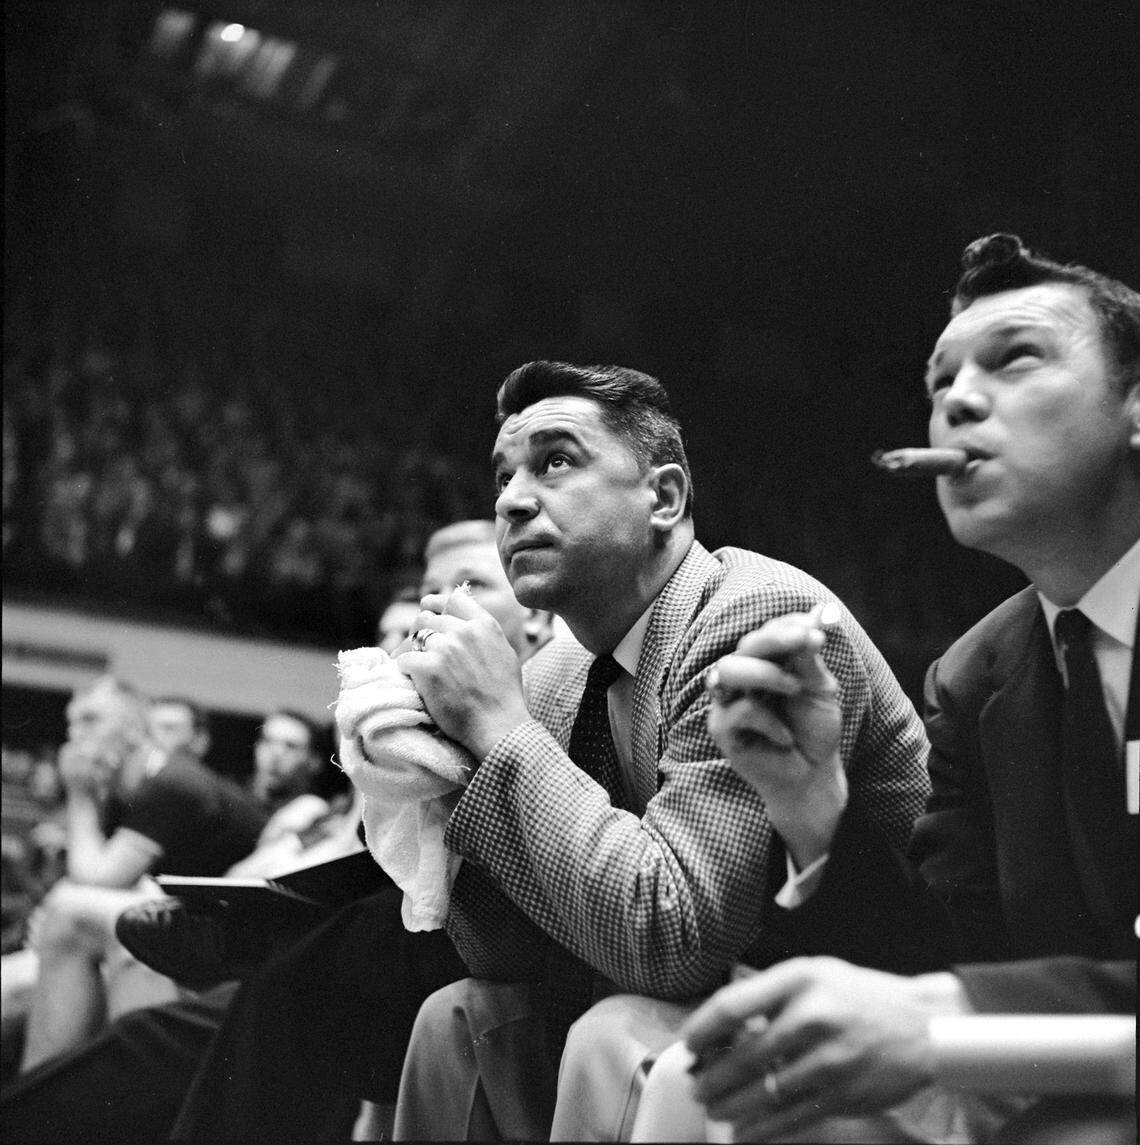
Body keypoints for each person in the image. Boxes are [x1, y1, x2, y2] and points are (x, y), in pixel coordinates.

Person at [190, 358, 927, 1145]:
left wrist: (500, 731)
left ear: (665, 497)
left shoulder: (752, 611)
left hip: (894, 1007)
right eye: (504, 475)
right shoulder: (556, 667)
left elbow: (671, 942)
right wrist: (438, 772)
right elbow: (504, 950)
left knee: (613, 1029)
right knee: (458, 1016)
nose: (511, 498)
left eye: (555, 461)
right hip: (732, 987)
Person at [631, 234, 1137, 1143]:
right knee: (711, 1089)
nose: (958, 402)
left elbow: (950, 997)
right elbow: (951, 952)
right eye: (939, 384)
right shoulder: (977, 675)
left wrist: (957, 1013)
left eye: (1014, 358)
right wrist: (809, 793)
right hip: (1065, 1059)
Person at [1, 522, 551, 1143]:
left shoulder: (535, 704)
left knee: (207, 989)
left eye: (470, 584)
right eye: (427, 593)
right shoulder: (390, 735)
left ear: (536, 617)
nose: (435, 610)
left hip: (442, 953)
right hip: (336, 931)